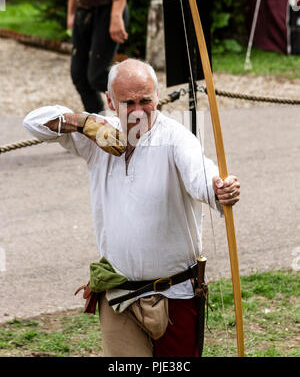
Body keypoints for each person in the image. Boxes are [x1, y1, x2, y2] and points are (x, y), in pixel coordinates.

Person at [23, 59, 240, 357]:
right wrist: (84, 123)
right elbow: (33, 122)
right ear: (110, 101)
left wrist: (218, 188)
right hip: (118, 296)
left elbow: (199, 173)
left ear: (157, 95)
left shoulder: (176, 139)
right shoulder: (96, 135)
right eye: (128, 102)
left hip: (174, 295)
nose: (138, 110)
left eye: (146, 100)